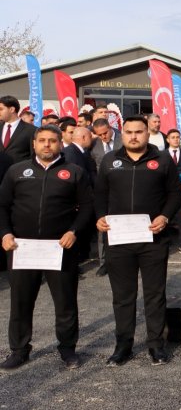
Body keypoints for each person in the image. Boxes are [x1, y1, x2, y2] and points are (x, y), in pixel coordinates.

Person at [0, 125, 93, 371]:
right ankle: (19, 350)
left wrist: (74, 231)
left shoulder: (74, 172)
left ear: (60, 143)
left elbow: (87, 207)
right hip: (22, 248)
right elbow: (2, 206)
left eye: (52, 140)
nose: (47, 145)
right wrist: (5, 233)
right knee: (20, 302)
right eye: (42, 140)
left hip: (60, 248)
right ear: (34, 144)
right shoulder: (17, 171)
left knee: (65, 302)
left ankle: (67, 349)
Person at [94, 115, 181, 367]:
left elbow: (175, 193)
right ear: (122, 134)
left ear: (148, 134)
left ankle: (156, 345)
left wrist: (165, 216)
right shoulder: (110, 161)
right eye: (129, 132)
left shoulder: (162, 159)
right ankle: (123, 345)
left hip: (153, 238)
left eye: (139, 132)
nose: (134, 136)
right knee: (123, 295)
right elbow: (99, 194)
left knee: (155, 294)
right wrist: (100, 217)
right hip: (119, 239)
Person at [90, 118, 122, 277]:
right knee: (103, 226)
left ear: (110, 128)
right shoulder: (93, 145)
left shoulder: (123, 140)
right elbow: (91, 168)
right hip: (103, 192)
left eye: (105, 133)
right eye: (100, 135)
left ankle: (121, 260)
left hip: (122, 190)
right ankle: (103, 263)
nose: (104, 137)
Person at [64, 126, 97, 262]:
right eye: (90, 137)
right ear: (84, 137)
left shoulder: (82, 152)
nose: (92, 140)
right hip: (76, 199)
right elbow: (74, 178)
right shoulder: (71, 153)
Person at [0, 95, 35, 164]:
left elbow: (33, 155)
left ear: (12, 109)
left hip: (20, 172)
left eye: (1, 109)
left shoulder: (31, 130)